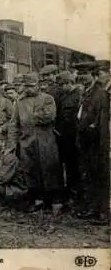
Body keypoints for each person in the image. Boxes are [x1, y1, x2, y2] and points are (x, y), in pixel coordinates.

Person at [8, 73, 63, 215]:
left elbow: (49, 116)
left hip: (45, 141)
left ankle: (56, 201)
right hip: (27, 141)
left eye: (32, 86)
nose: (29, 89)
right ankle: (39, 200)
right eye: (26, 86)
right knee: (31, 171)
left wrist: (32, 116)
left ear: (38, 85)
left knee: (50, 169)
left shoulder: (47, 98)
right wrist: (12, 144)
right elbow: (14, 124)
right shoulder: (19, 103)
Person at [75, 61, 110, 225]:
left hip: (96, 143)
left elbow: (101, 122)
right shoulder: (86, 93)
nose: (82, 77)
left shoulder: (101, 94)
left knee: (100, 176)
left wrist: (102, 145)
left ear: (94, 76)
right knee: (89, 176)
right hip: (86, 142)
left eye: (86, 74)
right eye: (80, 74)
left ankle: (103, 213)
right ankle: (92, 209)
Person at [54, 71, 82, 204]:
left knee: (73, 165)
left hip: (73, 135)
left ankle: (75, 192)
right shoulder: (63, 95)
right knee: (64, 163)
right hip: (62, 135)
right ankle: (68, 190)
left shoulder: (78, 95)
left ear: (69, 83)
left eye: (63, 84)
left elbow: (78, 118)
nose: (62, 87)